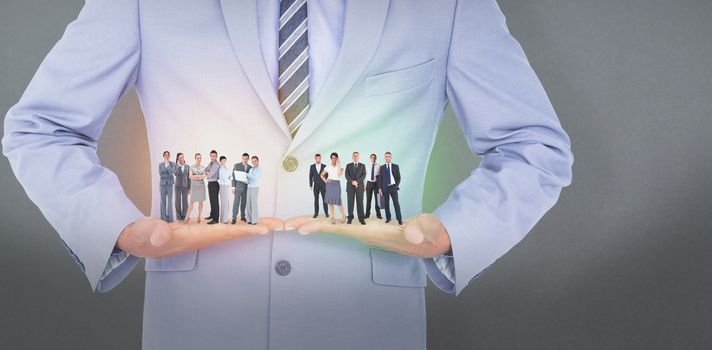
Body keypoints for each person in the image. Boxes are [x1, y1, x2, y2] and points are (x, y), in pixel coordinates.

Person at [1, 1, 575, 348]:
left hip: (366, 333)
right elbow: (41, 127)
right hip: (203, 332)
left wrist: (449, 232)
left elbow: (534, 146)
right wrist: (123, 228)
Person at [378, 151, 403, 225]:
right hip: (385, 188)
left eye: (389, 156)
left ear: (391, 157)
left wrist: (396, 186)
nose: (387, 157)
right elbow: (380, 178)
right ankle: (388, 218)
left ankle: (399, 219)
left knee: (396, 203)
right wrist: (379, 188)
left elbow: (398, 177)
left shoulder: (395, 166)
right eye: (386, 156)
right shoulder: (382, 167)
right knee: (386, 204)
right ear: (384, 158)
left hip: (393, 187)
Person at [321, 152, 346, 225]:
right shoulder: (327, 167)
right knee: (330, 202)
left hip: (337, 184)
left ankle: (344, 216)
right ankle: (332, 217)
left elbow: (340, 174)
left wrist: (339, 163)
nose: (333, 159)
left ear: (337, 158)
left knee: (338, 202)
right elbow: (321, 175)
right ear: (331, 158)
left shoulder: (339, 166)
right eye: (332, 157)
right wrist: (326, 181)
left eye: (335, 157)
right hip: (329, 184)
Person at [344, 151, 366, 225]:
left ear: (359, 157)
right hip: (350, 187)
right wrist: (352, 182)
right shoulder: (348, 165)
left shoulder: (362, 165)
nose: (356, 157)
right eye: (354, 156)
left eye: (357, 156)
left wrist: (357, 182)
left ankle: (361, 219)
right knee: (350, 203)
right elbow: (346, 175)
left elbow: (363, 175)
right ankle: (350, 218)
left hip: (359, 187)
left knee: (360, 203)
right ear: (352, 157)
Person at [184, 153, 206, 224]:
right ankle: (186, 218)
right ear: (195, 159)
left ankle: (199, 216)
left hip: (201, 186)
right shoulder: (192, 167)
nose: (199, 159)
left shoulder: (203, 167)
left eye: (200, 158)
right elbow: (190, 176)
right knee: (191, 202)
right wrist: (199, 176)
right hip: (194, 186)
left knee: (201, 202)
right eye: (197, 158)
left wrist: (196, 176)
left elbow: (204, 176)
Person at [230, 153, 251, 224]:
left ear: (248, 159)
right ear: (242, 158)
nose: (245, 160)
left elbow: (251, 178)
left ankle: (243, 216)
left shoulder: (250, 167)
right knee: (236, 203)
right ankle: (234, 218)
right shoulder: (237, 165)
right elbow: (233, 177)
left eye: (246, 159)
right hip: (238, 187)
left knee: (244, 203)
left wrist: (248, 182)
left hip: (246, 188)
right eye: (243, 158)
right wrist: (233, 187)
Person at [158, 151, 176, 222]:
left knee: (169, 201)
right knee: (163, 201)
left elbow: (172, 172)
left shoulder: (173, 164)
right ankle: (163, 218)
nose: (167, 156)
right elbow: (161, 175)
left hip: (170, 185)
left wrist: (168, 165)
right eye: (165, 155)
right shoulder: (160, 164)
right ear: (163, 156)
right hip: (162, 185)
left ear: (169, 156)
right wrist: (168, 175)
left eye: (168, 155)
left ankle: (170, 218)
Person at [309, 153, 329, 218]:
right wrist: (311, 185)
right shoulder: (312, 166)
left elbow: (327, 175)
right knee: (316, 199)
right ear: (315, 159)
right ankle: (316, 213)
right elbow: (310, 176)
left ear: (320, 158)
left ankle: (326, 213)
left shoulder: (324, 166)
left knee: (324, 199)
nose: (318, 159)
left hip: (323, 185)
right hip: (316, 185)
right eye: (316, 158)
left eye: (319, 158)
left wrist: (326, 181)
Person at [204, 150, 220, 225]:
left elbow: (210, 174)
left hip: (214, 183)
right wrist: (208, 171)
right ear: (210, 156)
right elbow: (205, 170)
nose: (213, 157)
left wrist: (208, 172)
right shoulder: (211, 163)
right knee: (211, 200)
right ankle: (212, 215)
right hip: (210, 183)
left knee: (215, 201)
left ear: (216, 156)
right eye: (211, 156)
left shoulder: (216, 164)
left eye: (214, 156)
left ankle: (216, 219)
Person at [245, 155, 262, 225]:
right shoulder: (251, 169)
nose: (253, 162)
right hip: (249, 187)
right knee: (248, 203)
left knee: (253, 203)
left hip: (255, 187)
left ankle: (254, 220)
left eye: (255, 161)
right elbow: (249, 179)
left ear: (258, 161)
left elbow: (255, 177)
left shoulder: (259, 169)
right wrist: (245, 180)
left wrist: (246, 174)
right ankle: (249, 219)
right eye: (252, 161)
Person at [173, 152, 190, 223]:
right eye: (180, 157)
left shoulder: (187, 166)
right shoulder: (175, 166)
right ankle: (179, 218)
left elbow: (189, 178)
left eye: (183, 157)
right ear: (178, 159)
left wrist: (189, 187)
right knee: (177, 202)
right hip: (177, 186)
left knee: (185, 202)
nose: (182, 158)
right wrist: (179, 166)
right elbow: (175, 174)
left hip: (185, 186)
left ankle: (184, 216)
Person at [364, 153, 381, 219]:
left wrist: (380, 185)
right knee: (368, 199)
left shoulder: (379, 166)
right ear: (370, 158)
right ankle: (367, 214)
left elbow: (381, 176)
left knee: (378, 199)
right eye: (372, 157)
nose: (373, 159)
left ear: (376, 159)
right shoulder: (366, 166)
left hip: (376, 184)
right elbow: (365, 176)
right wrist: (365, 185)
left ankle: (378, 214)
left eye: (374, 158)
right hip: (369, 183)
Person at [218, 156, 232, 224]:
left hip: (226, 186)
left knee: (226, 203)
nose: (223, 162)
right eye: (222, 161)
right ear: (220, 162)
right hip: (223, 186)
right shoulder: (220, 169)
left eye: (224, 161)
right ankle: (224, 220)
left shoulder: (226, 168)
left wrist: (230, 177)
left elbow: (230, 176)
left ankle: (224, 219)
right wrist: (228, 178)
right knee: (224, 203)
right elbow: (223, 178)